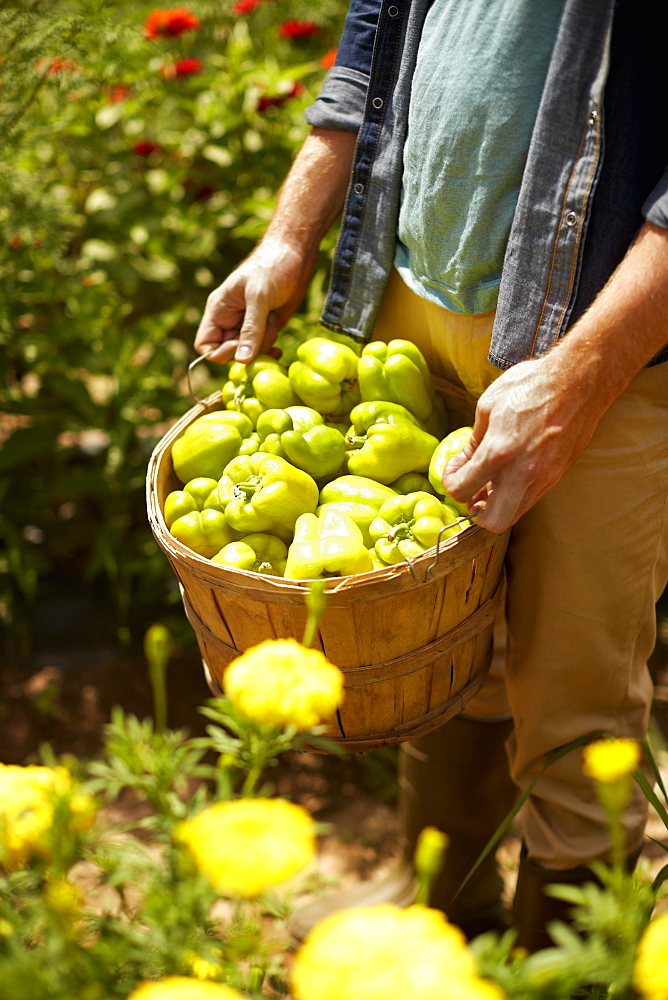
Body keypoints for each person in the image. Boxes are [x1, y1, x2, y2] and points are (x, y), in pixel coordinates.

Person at [194, 0, 668, 950]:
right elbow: (378, 30)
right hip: (408, 292)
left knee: (577, 704)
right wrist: (291, 233)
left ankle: (559, 969)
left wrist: (586, 372)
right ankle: (440, 933)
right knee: (435, 642)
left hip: (599, 330)